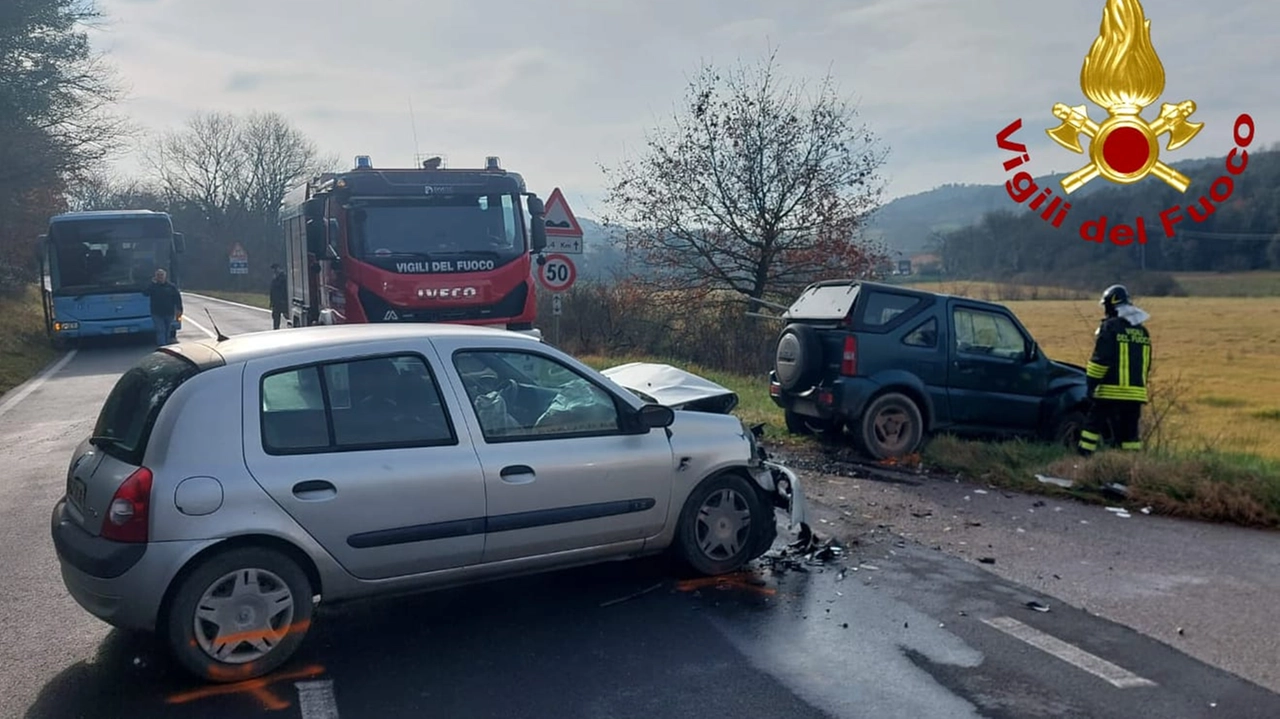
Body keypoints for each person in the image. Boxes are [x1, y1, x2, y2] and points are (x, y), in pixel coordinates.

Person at [1078, 284, 1152, 456]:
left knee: (1092, 427)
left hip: (1110, 392)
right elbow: (1146, 364)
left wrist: (1090, 386)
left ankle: (1082, 461)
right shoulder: (1142, 331)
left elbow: (1099, 362)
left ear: (1111, 304)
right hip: (1136, 395)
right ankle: (1129, 469)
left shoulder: (1110, 327)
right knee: (1130, 437)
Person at [142, 268, 183, 346]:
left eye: (161, 275)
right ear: (155, 277)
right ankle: (162, 345)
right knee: (160, 330)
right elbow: (145, 293)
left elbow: (177, 298)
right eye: (158, 275)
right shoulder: (153, 287)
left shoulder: (171, 287)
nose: (160, 277)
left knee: (167, 330)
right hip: (156, 313)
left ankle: (166, 344)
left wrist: (179, 309)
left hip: (169, 312)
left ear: (165, 276)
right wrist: (152, 284)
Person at [269, 263, 288, 329]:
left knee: (286, 316)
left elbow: (282, 289)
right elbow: (272, 291)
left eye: (275, 269)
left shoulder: (282, 278)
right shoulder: (275, 278)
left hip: (281, 301)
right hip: (276, 302)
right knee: (276, 318)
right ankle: (276, 329)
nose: (274, 271)